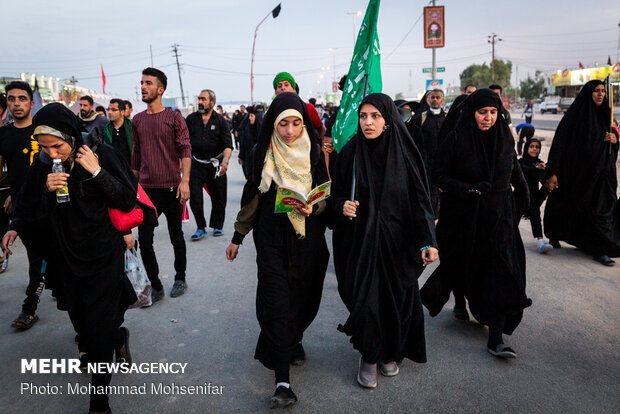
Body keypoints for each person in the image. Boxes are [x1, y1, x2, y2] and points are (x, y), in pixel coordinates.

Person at [3, 103, 137, 414]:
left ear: (72, 136)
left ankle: (99, 404)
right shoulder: (43, 163)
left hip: (103, 254)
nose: (53, 153)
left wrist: (97, 172)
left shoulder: (100, 154)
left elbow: (127, 199)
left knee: (97, 331)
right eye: (45, 147)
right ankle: (119, 336)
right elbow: (28, 204)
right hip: (66, 256)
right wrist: (16, 226)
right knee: (85, 329)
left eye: (58, 146)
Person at [225, 92, 329, 408]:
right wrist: (237, 237)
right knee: (276, 301)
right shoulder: (262, 151)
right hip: (270, 239)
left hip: (307, 238)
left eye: (296, 123)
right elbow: (253, 197)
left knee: (303, 296)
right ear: (274, 123)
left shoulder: (312, 150)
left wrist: (317, 206)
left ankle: (293, 337)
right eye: (283, 123)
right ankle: (282, 381)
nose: (290, 131)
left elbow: (326, 193)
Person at [333, 93, 438, 389]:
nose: (368, 122)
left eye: (375, 116)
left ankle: (390, 352)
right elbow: (335, 196)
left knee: (397, 301)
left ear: (388, 120)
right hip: (361, 243)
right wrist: (342, 206)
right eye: (363, 116)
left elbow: (421, 201)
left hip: (398, 243)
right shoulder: (350, 154)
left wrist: (427, 240)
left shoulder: (404, 153)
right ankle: (368, 355)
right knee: (366, 300)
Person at [421, 89, 532, 359]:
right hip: (465, 217)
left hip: (499, 219)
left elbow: (513, 168)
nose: (488, 118)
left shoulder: (505, 138)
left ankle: (496, 337)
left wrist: (525, 198)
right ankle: (460, 299)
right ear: (472, 113)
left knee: (501, 273)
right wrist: (467, 188)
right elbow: (438, 174)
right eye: (483, 112)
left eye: (493, 112)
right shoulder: (457, 139)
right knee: (463, 263)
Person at [543, 79, 620, 266]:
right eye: (596, 91)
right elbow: (559, 145)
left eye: (603, 91)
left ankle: (599, 249)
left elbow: (611, 147)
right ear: (588, 94)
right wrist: (552, 172)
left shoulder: (606, 117)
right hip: (575, 174)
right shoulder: (574, 117)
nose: (600, 94)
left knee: (600, 211)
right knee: (567, 204)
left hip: (601, 177)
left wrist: (614, 140)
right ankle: (556, 235)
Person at [132, 67, 192, 299]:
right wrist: (132, 184)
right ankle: (156, 285)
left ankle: (180, 278)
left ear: (160, 89)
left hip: (172, 188)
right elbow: (136, 154)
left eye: (148, 83)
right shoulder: (137, 120)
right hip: (146, 191)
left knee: (177, 236)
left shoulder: (174, 117)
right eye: (142, 82)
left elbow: (185, 148)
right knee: (145, 240)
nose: (143, 87)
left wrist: (184, 181)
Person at [0, 81, 47, 329]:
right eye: (11, 99)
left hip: (51, 205)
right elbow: (7, 170)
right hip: (22, 208)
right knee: (36, 259)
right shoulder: (4, 134)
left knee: (54, 258)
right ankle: (30, 309)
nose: (16, 103)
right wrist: (11, 194)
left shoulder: (44, 131)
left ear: (31, 102)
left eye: (21, 98)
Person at [185, 89, 232, 240]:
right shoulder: (191, 119)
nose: (200, 102)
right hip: (196, 164)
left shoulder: (220, 121)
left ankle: (217, 225)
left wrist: (225, 162)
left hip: (215, 164)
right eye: (199, 99)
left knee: (219, 197)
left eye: (203, 99)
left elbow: (227, 144)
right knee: (195, 197)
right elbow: (183, 142)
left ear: (212, 102)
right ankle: (201, 227)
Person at [411, 88, 446, 218]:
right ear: (428, 99)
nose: (435, 100)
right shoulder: (421, 118)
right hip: (426, 165)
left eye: (438, 97)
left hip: (443, 165)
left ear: (442, 100)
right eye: (432, 97)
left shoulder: (447, 119)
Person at [519, 138, 553, 253]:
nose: (534, 149)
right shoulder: (521, 162)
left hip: (533, 197)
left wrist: (547, 171)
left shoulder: (539, 163)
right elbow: (525, 170)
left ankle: (540, 240)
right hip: (520, 196)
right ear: (526, 148)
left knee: (535, 215)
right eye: (531, 146)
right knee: (513, 219)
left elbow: (545, 174)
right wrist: (536, 169)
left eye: (537, 147)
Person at [273, 72, 326, 142]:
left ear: (293, 89)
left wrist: (321, 147)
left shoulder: (308, 108)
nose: (283, 88)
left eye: (286, 85)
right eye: (279, 86)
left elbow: (321, 128)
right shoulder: (272, 111)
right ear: (276, 92)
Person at [102, 99, 133, 166]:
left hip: (131, 169)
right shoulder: (106, 130)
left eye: (113, 110)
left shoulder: (132, 127)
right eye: (108, 109)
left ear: (122, 112)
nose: (109, 112)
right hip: (113, 169)